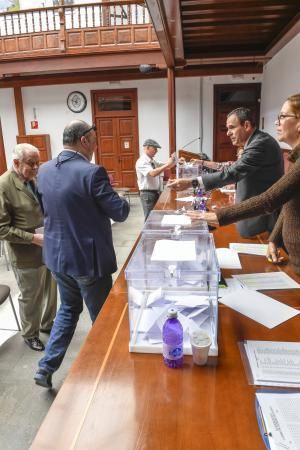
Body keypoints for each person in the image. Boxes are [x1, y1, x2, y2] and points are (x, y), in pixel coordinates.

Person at [34, 120, 130, 388]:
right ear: (85, 140)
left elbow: (47, 208)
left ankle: (45, 368)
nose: (97, 145)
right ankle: (106, 371)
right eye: (95, 140)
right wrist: (117, 196)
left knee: (68, 309)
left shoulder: (44, 170)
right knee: (103, 319)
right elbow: (120, 213)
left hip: (57, 258)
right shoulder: (92, 172)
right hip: (87, 261)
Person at [187, 93, 300, 275]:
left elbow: (269, 200)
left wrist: (219, 216)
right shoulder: (294, 158)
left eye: (283, 116)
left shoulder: (263, 144)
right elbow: (288, 202)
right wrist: (275, 239)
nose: (276, 123)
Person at [168, 108, 284, 237]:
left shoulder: (260, 144)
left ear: (246, 125)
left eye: (231, 128)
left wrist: (192, 182)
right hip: (252, 215)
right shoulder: (255, 142)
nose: (228, 133)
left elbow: (231, 173)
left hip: (259, 221)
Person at [0, 143, 57, 351]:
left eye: (37, 164)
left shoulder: (33, 178)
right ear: (16, 162)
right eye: (31, 164)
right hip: (25, 251)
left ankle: (47, 323)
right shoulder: (4, 185)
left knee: (51, 289)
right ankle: (30, 333)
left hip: (47, 244)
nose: (36, 168)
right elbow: (2, 229)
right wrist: (33, 238)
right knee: (31, 295)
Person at [136, 139, 176, 220]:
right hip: (147, 194)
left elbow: (167, 166)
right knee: (149, 219)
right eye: (155, 148)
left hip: (155, 192)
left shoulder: (152, 161)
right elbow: (153, 173)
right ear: (147, 148)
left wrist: (175, 161)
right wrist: (167, 164)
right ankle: (146, 233)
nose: (156, 151)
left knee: (156, 217)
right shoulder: (142, 161)